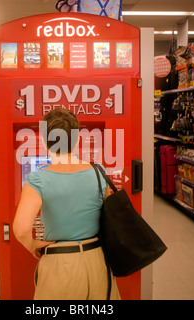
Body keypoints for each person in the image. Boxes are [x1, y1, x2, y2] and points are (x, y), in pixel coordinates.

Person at [13, 108, 120, 300]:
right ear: (78, 139)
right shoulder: (99, 171)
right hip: (98, 262)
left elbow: (21, 229)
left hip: (60, 265)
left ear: (45, 141)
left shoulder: (38, 180)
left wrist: (33, 245)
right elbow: (108, 215)